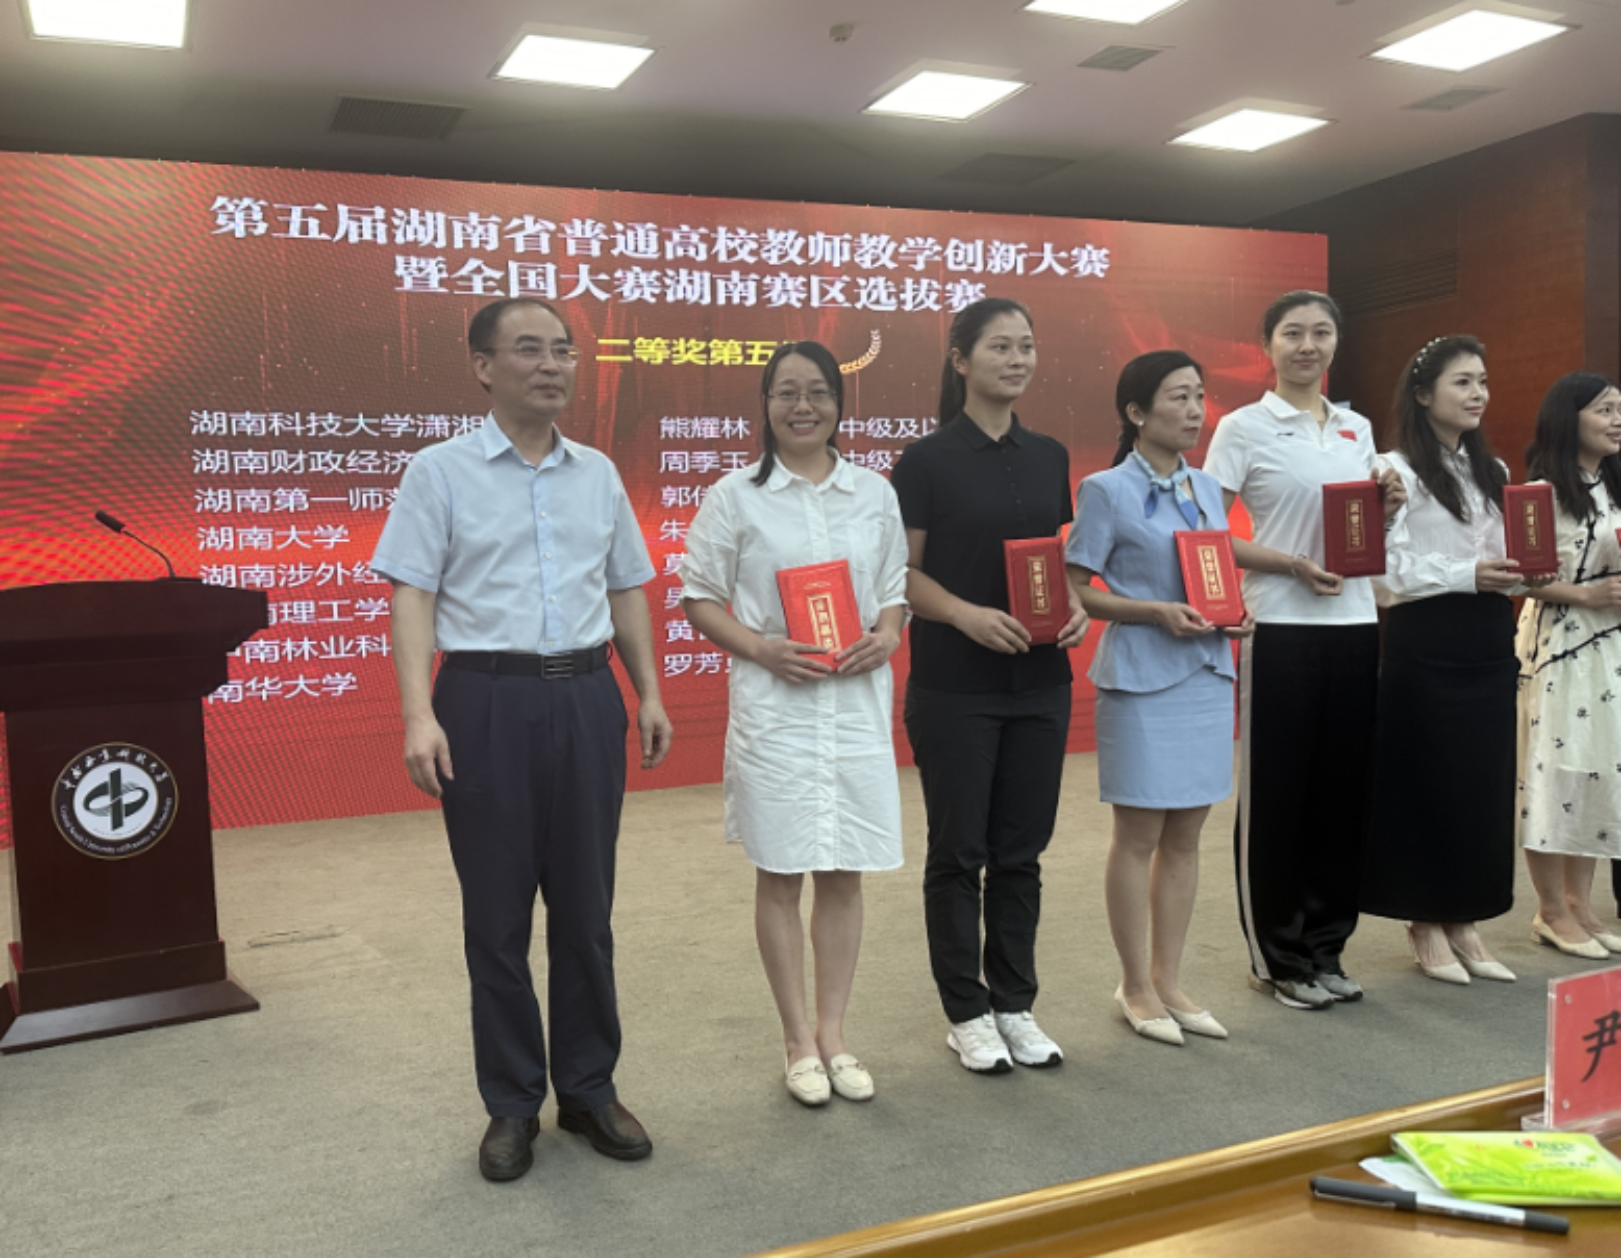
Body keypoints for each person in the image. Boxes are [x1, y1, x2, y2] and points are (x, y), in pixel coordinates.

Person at [372, 297, 673, 1182]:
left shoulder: (597, 474)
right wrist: (418, 713)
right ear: (482, 365)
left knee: (585, 908)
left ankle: (587, 1087)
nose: (552, 365)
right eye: (529, 349)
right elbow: (413, 594)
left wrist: (648, 692)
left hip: (585, 696)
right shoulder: (439, 471)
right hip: (484, 701)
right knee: (497, 917)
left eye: (563, 350)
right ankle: (511, 1101)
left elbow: (624, 587)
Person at [679, 342, 908, 1106]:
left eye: (817, 392)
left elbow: (893, 586)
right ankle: (796, 1041)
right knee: (779, 872)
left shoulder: (872, 492)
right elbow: (698, 595)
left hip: (853, 705)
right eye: (785, 392)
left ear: (839, 404)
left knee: (842, 871)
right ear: (765, 403)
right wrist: (761, 648)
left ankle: (834, 1035)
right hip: (776, 710)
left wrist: (887, 633)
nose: (802, 406)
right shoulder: (733, 496)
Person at [890, 297, 1089, 1074]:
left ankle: (1014, 1002)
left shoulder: (1047, 454)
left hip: (1039, 680)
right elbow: (901, 574)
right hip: (955, 684)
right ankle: (966, 1012)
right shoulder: (925, 460)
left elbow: (1051, 560)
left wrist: (1072, 606)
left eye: (1025, 345)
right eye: (1000, 346)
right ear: (960, 359)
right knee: (957, 851)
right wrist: (965, 614)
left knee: (1020, 852)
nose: (1016, 359)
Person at [1202, 290, 1405, 1011]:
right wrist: (1289, 564)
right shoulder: (1242, 427)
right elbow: (1206, 533)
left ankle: (1326, 947)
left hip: (1354, 624)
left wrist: (1388, 503)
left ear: (1335, 344)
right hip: (1280, 627)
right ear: (1268, 344)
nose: (1307, 345)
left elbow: (1364, 528)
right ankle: (1278, 957)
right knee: (1278, 797)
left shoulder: (1355, 427)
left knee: (1341, 797)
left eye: (1321, 332)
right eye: (1292, 333)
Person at [1065, 351, 1253, 1046]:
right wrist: (1154, 612)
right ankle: (1134, 985)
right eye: (1178, 397)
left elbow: (1213, 571)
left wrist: (1229, 614)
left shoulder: (1206, 487)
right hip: (1141, 676)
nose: (1195, 410)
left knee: (1186, 835)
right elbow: (1078, 588)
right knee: (1138, 835)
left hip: (1205, 672)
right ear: (1136, 412)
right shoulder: (1104, 489)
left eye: (1199, 395)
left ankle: (1168, 979)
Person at [1363, 335, 1520, 984]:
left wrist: (1525, 570)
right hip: (1425, 637)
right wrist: (1466, 573)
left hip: (1488, 636)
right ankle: (1424, 918)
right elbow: (1381, 573)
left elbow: (1507, 558)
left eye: (1482, 380)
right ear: (1423, 393)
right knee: (1425, 779)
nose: (1478, 393)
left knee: (1482, 783)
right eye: (1462, 381)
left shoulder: (1495, 471)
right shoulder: (1390, 470)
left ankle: (1466, 918)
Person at [1515, 372, 1621, 959]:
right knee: (1555, 771)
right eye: (1604, 410)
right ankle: (1550, 909)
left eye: (1619, 410)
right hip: (1560, 644)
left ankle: (1581, 903)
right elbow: (1522, 577)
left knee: (1599, 769)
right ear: (1568, 417)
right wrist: (1587, 594)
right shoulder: (1539, 493)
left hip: (1611, 650)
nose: (1616, 420)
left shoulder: (1614, 485)